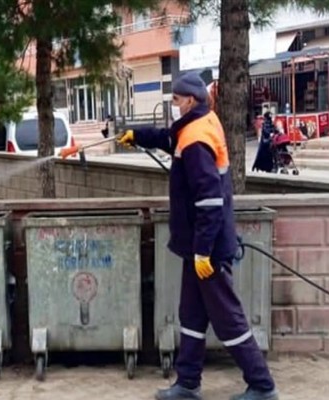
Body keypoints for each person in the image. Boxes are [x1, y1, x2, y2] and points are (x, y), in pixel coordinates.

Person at [118, 72, 278, 400]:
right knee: (190, 314)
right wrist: (138, 136)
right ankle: (187, 382)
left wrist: (204, 251)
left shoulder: (196, 141)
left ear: (189, 100)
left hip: (208, 249)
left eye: (176, 100)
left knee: (228, 317)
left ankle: (262, 385)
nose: (174, 106)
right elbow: (168, 137)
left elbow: (209, 201)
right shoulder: (201, 122)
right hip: (198, 247)